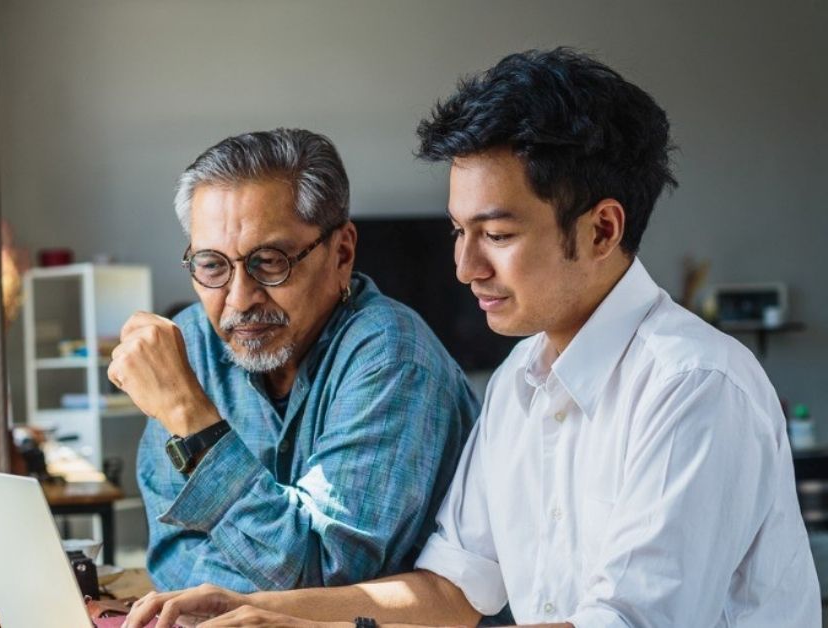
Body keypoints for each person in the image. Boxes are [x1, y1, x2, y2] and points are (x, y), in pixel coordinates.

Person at [125, 48, 821, 627]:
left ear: (602, 229)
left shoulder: (693, 386)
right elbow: (450, 591)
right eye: (459, 233)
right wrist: (263, 610)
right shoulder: (522, 380)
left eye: (496, 234)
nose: (465, 267)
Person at [106, 128, 479, 593]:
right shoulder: (193, 346)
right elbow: (174, 552)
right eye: (212, 264)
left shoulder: (393, 357)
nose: (240, 298)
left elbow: (324, 572)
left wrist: (192, 420)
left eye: (270, 260)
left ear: (341, 253)